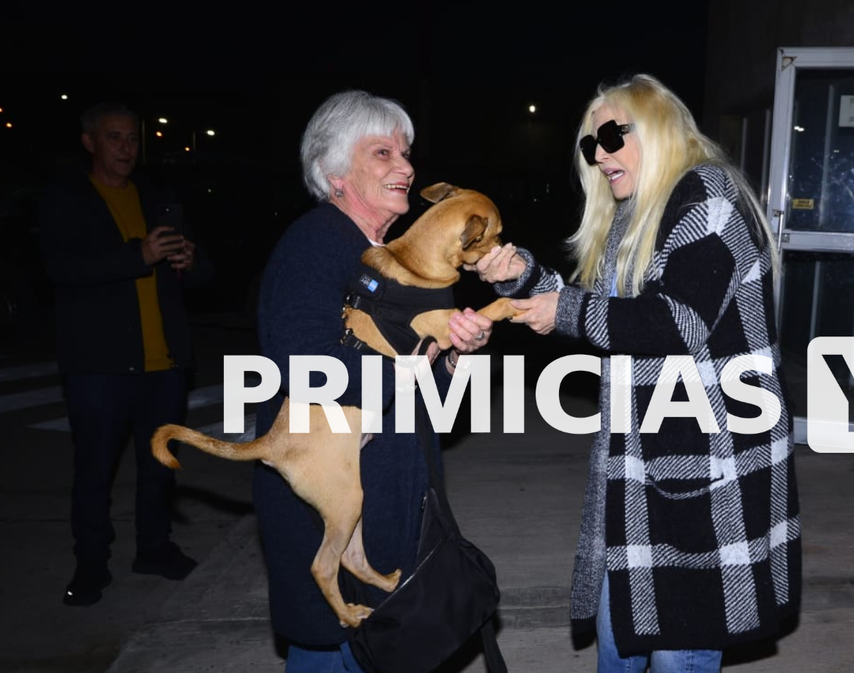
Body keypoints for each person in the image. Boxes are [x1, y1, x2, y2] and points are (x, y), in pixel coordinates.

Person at [471, 74, 801, 672]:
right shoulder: (636, 213)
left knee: (678, 650)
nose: (599, 155)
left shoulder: (708, 197)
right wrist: (522, 277)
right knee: (617, 637)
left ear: (656, 129)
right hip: (641, 463)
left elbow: (677, 320)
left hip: (709, 467)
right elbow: (611, 313)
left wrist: (565, 310)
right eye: (589, 145)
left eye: (611, 136)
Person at [254, 90, 494, 672]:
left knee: (376, 648)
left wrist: (455, 357)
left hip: (385, 494)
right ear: (335, 173)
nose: (405, 166)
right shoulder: (318, 241)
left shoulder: (389, 259)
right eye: (382, 152)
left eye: (405, 152)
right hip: (329, 493)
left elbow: (428, 402)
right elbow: (300, 361)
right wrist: (409, 366)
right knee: (333, 649)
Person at [39, 101, 208, 606]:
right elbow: (62, 268)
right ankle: (91, 563)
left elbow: (203, 276)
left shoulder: (155, 198)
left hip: (164, 363)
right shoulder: (67, 200)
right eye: (114, 137)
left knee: (159, 464)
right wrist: (139, 255)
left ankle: (154, 548)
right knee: (95, 470)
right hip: (100, 365)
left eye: (133, 138)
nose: (126, 147)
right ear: (89, 142)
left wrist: (190, 261)